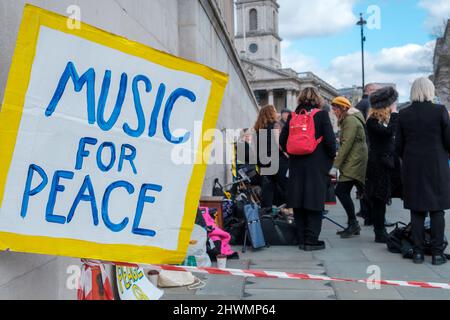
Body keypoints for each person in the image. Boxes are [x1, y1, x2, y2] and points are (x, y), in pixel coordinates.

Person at [396, 77, 450, 265]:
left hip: (413, 166)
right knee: (437, 210)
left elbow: (398, 146)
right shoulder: (440, 111)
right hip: (436, 166)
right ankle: (437, 254)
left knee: (417, 210)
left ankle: (418, 252)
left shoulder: (404, 114)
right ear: (430, 91)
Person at [280, 87, 336, 251]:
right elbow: (331, 142)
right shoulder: (321, 115)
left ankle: (301, 238)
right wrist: (328, 160)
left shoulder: (292, 116)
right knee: (314, 200)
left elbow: (283, 141)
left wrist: (293, 153)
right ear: (318, 100)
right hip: (317, 165)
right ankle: (311, 241)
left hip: (296, 164)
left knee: (298, 200)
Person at [365, 87, 400, 243]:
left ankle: (380, 229)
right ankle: (379, 232)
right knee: (379, 199)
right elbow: (388, 133)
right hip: (377, 164)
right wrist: (395, 114)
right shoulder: (372, 121)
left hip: (385, 163)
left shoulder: (380, 120)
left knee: (382, 199)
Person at [331, 96, 368, 238]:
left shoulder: (350, 120)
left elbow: (346, 145)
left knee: (341, 191)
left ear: (343, 108)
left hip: (355, 161)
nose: (334, 112)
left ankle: (354, 224)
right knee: (351, 191)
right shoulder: (350, 119)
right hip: (355, 159)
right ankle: (354, 224)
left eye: (335, 109)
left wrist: (335, 166)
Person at [254, 105, 285, 211]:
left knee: (267, 190)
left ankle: (266, 215)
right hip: (276, 160)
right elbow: (279, 144)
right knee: (286, 188)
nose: (277, 114)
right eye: (275, 111)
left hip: (263, 162)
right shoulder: (276, 125)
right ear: (270, 113)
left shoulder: (258, 129)